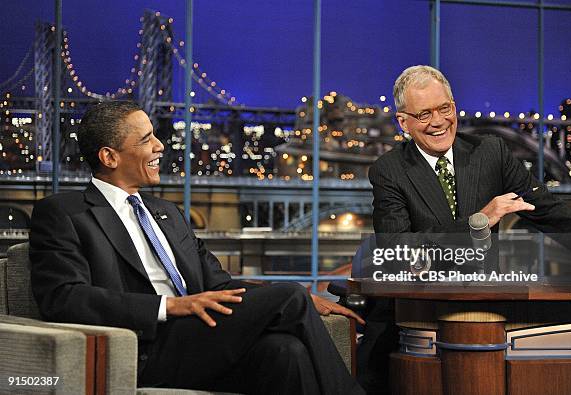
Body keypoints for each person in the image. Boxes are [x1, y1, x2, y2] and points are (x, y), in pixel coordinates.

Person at [29, 101, 365, 394]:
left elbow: (219, 286)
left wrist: (302, 301)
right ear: (109, 156)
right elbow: (63, 298)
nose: (160, 146)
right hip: (141, 346)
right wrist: (169, 306)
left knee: (285, 351)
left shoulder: (167, 213)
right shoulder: (64, 213)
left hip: (199, 340)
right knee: (290, 294)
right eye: (147, 139)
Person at [359, 65, 571, 394]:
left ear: (454, 106)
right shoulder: (388, 170)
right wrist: (479, 221)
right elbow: (398, 250)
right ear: (403, 122)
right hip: (411, 315)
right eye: (423, 114)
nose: (438, 122)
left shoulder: (490, 152)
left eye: (444, 108)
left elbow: (552, 213)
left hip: (487, 309)